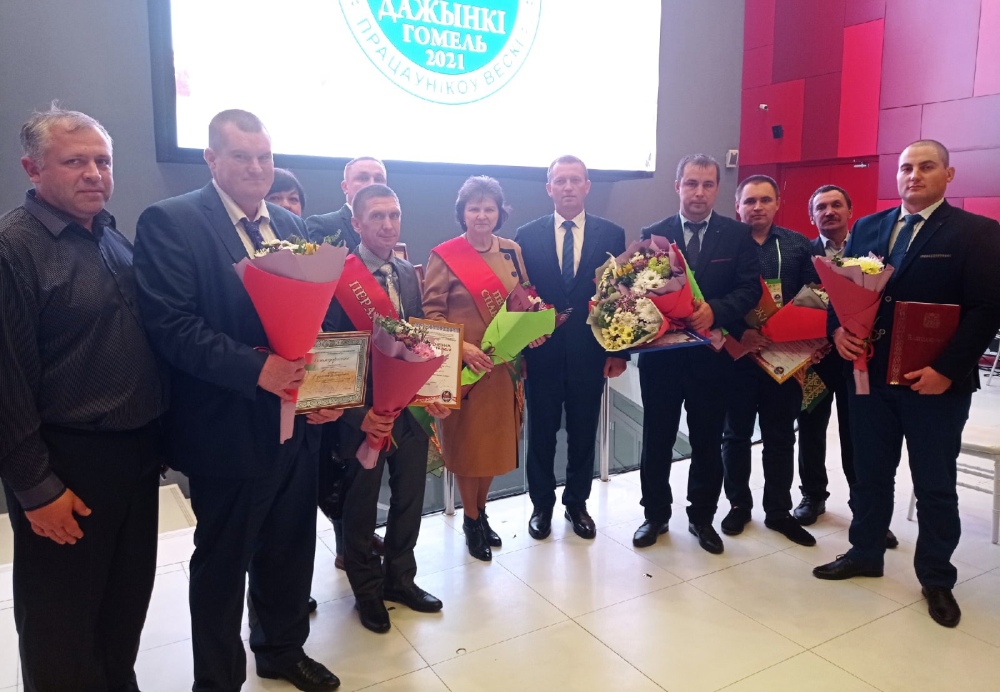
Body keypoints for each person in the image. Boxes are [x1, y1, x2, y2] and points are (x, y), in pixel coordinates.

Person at [134, 109, 343, 691]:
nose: (256, 168)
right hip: (225, 428)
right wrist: (259, 370)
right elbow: (172, 326)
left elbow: (316, 319)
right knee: (224, 562)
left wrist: (325, 391)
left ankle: (280, 650)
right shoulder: (172, 221)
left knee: (290, 546)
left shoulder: (290, 223)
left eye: (264, 157)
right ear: (211, 159)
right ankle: (218, 679)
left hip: (295, 426)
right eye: (241, 157)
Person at [0, 107, 168, 692]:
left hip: (133, 458)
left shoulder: (112, 240)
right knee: (61, 622)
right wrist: (35, 488)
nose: (94, 173)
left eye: (103, 161)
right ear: (33, 169)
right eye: (75, 161)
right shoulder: (12, 248)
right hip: (66, 464)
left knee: (123, 606)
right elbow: (5, 381)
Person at [813, 140, 1000, 629]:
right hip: (870, 376)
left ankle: (936, 576)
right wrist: (838, 331)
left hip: (933, 384)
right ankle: (865, 551)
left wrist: (948, 370)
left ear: (948, 175)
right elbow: (842, 290)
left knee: (934, 484)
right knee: (870, 473)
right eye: (906, 168)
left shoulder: (977, 233)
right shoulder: (869, 228)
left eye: (926, 166)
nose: (913, 175)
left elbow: (987, 310)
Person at [321, 183, 450, 634]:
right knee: (359, 509)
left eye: (394, 215)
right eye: (377, 216)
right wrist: (360, 416)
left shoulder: (408, 273)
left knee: (409, 498)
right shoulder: (339, 277)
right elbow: (331, 356)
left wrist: (433, 393)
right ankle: (367, 590)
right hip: (363, 416)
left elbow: (416, 339)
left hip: (408, 410)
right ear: (356, 222)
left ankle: (400, 579)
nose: (388, 224)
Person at [633, 154, 761, 554]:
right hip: (662, 360)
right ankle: (655, 514)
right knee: (657, 438)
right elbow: (637, 292)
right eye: (691, 183)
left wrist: (716, 311)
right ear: (678, 186)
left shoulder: (737, 235)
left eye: (707, 184)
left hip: (712, 358)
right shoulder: (654, 233)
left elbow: (749, 288)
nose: (699, 192)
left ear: (718, 189)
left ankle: (702, 517)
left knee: (707, 440)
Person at [515, 155, 628, 541]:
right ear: (549, 188)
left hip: (590, 353)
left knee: (583, 432)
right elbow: (520, 298)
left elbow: (620, 296)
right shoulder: (526, 235)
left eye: (574, 180)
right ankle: (541, 505)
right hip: (541, 354)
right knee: (541, 434)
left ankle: (577, 503)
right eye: (560, 181)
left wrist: (619, 352)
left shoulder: (611, 234)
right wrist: (520, 353)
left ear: (586, 186)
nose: (567, 187)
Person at [423, 176, 531, 560]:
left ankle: (481, 513)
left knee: (493, 449)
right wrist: (463, 348)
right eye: (474, 208)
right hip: (464, 372)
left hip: (502, 370)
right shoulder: (444, 256)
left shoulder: (512, 251)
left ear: (500, 212)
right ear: (463, 213)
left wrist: (531, 332)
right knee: (468, 450)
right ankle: (470, 521)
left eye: (489, 208)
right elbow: (431, 315)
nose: (481, 215)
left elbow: (525, 301)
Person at [795, 185, 899, 548]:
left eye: (836, 204)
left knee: (859, 432)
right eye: (820, 207)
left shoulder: (871, 250)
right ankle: (812, 495)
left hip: (859, 359)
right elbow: (795, 303)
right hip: (816, 361)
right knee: (810, 427)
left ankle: (864, 508)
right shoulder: (803, 253)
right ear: (812, 216)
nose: (829, 212)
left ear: (850, 210)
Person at [720, 175, 819, 546]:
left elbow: (815, 295)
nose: (757, 207)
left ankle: (778, 511)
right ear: (738, 206)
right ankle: (738, 505)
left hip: (785, 355)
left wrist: (801, 336)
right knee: (736, 435)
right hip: (739, 355)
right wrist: (739, 333)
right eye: (749, 201)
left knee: (780, 436)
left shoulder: (798, 245)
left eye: (765, 200)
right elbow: (712, 296)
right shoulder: (726, 244)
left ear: (778, 203)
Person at [306, 156, 387, 249]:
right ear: (345, 187)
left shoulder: (390, 227)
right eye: (363, 178)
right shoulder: (321, 226)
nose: (372, 184)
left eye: (379, 179)